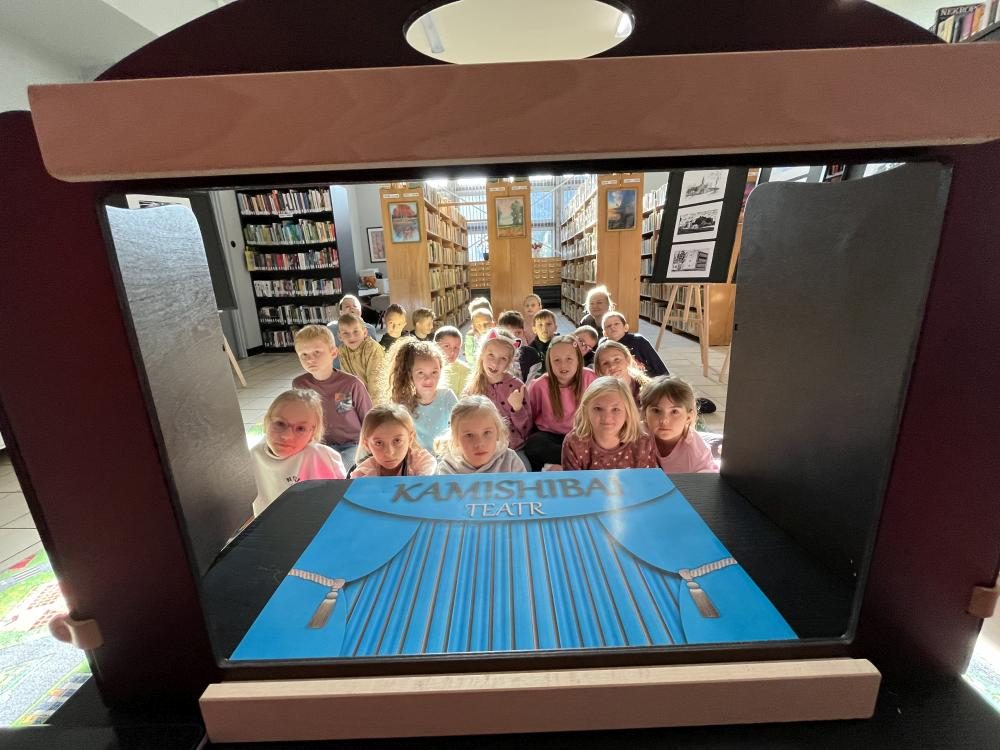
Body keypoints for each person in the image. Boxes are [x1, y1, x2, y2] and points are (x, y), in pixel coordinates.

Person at [250, 389, 346, 516]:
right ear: (266, 422)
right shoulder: (252, 457)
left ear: (313, 432)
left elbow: (342, 496)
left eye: (300, 428)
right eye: (280, 423)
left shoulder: (323, 457)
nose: (287, 436)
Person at [291, 325, 371, 468]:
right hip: (319, 444)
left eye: (317, 352)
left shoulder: (351, 383)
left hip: (352, 444)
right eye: (304, 355)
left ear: (333, 352)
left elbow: (368, 417)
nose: (310, 359)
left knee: (343, 468)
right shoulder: (299, 384)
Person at [524, 334, 596, 470]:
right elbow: (530, 416)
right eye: (556, 360)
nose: (563, 365)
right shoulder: (539, 385)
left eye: (569, 359)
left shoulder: (590, 377)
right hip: (551, 437)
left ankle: (562, 464)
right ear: (549, 362)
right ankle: (573, 462)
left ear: (578, 359)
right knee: (534, 444)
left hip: (582, 435)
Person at [561, 376, 658, 471]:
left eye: (615, 409)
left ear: (628, 412)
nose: (607, 417)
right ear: (586, 411)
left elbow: (647, 480)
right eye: (598, 408)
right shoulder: (574, 443)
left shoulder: (643, 442)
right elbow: (573, 480)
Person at [463, 328, 532, 453]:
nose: (495, 363)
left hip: (513, 449)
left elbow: (526, 430)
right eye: (491, 355)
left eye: (503, 358)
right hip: (481, 450)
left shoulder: (517, 387)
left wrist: (518, 409)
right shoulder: (471, 389)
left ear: (509, 362)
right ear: (482, 354)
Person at [382, 337, 457, 451]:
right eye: (421, 373)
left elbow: (462, 425)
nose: (428, 379)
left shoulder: (447, 396)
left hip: (444, 456)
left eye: (434, 372)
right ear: (410, 374)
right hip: (415, 458)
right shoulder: (402, 404)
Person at [640, 376, 718, 473]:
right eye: (656, 410)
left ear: (688, 417)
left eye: (674, 412)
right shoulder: (637, 435)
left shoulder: (697, 453)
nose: (664, 420)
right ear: (644, 413)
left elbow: (706, 480)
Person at [435, 396, 526, 474]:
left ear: (498, 432)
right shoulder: (448, 469)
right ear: (455, 439)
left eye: (487, 433)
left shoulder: (510, 461)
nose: (479, 443)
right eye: (469, 435)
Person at [349, 403, 436, 477]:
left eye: (397, 441)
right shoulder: (362, 475)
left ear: (410, 439)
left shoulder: (422, 461)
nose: (389, 452)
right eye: (379, 443)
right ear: (367, 445)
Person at [601, 311, 668, 376]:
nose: (612, 327)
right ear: (604, 333)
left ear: (626, 327)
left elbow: (657, 365)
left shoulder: (638, 341)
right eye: (608, 326)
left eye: (616, 324)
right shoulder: (604, 347)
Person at [336, 312, 385, 401]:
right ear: (340, 336)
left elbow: (376, 385)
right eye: (345, 333)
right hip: (358, 394)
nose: (351, 337)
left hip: (376, 396)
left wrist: (369, 406)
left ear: (365, 332)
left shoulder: (373, 349)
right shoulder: (342, 350)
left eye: (356, 331)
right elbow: (346, 379)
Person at [593, 339, 649, 406]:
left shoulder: (649, 388)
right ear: (599, 370)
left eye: (616, 359)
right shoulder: (598, 397)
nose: (612, 366)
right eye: (605, 363)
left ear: (627, 360)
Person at [518, 308, 558, 381]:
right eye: (540, 325)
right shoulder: (530, 350)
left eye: (548, 324)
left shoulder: (562, 346)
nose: (544, 328)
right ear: (534, 329)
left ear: (555, 327)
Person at [434, 326, 470, 397]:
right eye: (447, 346)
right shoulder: (425, 367)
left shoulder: (465, 371)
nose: (452, 352)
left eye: (456, 348)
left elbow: (463, 400)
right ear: (435, 346)